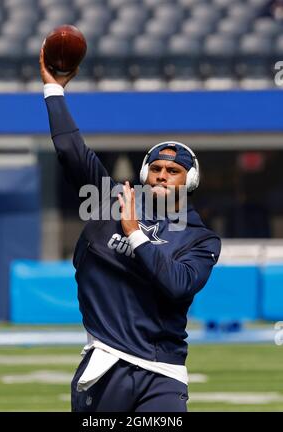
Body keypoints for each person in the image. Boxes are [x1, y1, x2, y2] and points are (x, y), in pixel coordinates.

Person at [40, 47, 221, 412]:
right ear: (144, 173)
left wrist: (135, 233)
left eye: (173, 172)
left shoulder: (200, 237)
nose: (162, 176)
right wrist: (54, 90)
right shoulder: (109, 201)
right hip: (106, 363)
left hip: (162, 371)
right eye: (156, 169)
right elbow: (72, 151)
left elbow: (178, 284)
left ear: (190, 181)